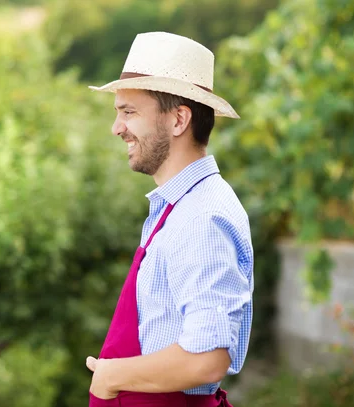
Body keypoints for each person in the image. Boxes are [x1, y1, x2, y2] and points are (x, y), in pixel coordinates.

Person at [85, 32, 254, 407]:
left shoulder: (201, 217)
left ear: (179, 119)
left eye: (129, 112)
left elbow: (207, 359)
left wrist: (113, 375)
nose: (117, 128)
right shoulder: (178, 207)